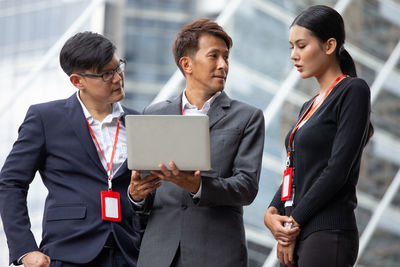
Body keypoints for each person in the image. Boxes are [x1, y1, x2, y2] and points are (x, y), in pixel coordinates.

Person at [128, 18, 265, 267]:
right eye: (214, 56)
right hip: (158, 255)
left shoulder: (247, 117)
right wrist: (136, 196)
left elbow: (246, 186)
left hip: (217, 254)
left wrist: (197, 185)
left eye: (226, 57)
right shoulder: (153, 114)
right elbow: (148, 189)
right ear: (187, 64)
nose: (223, 65)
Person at [0, 31, 144, 267]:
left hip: (129, 253)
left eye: (119, 68)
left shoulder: (139, 122)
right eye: (107, 74)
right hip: (68, 253)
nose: (118, 78)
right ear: (77, 81)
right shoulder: (45, 118)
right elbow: (11, 183)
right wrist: (25, 249)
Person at [263, 5, 373, 267]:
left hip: (326, 232)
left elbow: (337, 170)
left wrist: (293, 223)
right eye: (291, 47)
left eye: (301, 46)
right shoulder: (308, 106)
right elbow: (297, 170)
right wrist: (272, 212)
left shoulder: (353, 91)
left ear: (329, 45)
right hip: (296, 231)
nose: (293, 55)